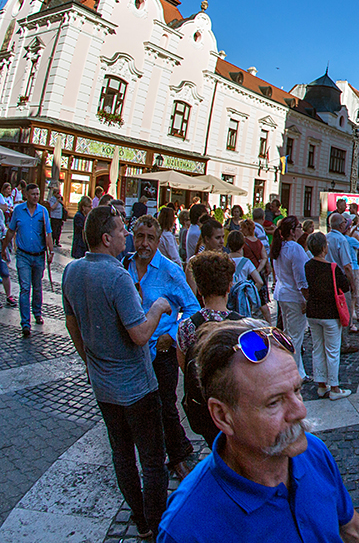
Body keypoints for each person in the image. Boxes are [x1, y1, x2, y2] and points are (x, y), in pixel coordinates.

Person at [158, 320, 359, 542]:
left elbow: (351, 527)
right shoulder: (186, 529)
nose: (300, 411)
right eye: (274, 402)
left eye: (297, 390)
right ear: (222, 416)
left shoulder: (313, 451)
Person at [63, 205, 175, 539]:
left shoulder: (73, 271)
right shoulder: (117, 276)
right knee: (153, 460)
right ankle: (154, 524)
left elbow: (72, 325)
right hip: (137, 387)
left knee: (122, 454)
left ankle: (140, 519)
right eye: (122, 230)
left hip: (104, 387)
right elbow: (140, 334)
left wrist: (90, 361)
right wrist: (157, 307)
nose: (127, 234)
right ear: (106, 238)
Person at [128, 214, 200, 478]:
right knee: (143, 406)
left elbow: (193, 308)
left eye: (150, 238)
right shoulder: (126, 267)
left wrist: (171, 333)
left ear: (159, 240)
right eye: (139, 236)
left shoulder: (170, 270)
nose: (144, 243)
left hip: (162, 351)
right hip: (135, 351)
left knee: (166, 405)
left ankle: (178, 456)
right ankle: (156, 454)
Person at [177, 251, 242, 447]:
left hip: (203, 407)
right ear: (229, 286)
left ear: (199, 289)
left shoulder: (187, 327)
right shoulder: (243, 326)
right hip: (234, 404)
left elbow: (184, 366)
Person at [303, 232, 352, 400]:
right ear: (324, 248)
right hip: (330, 312)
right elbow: (345, 287)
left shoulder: (307, 266)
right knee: (332, 350)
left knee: (317, 348)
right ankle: (335, 387)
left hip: (313, 312)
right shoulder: (332, 267)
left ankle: (321, 385)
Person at [6, 184, 51, 337]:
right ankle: (25, 323)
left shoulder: (43, 212)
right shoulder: (18, 210)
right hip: (23, 255)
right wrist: (4, 248)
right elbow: (11, 230)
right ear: (26, 195)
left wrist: (50, 252)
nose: (36, 197)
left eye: (38, 194)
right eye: (33, 194)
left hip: (39, 255)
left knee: (37, 287)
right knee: (25, 287)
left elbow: (48, 234)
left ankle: (37, 313)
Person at [270, 216, 309, 382]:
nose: (301, 229)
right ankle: (294, 374)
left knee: (288, 334)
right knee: (295, 338)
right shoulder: (294, 248)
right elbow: (301, 278)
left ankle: (299, 371)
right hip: (294, 296)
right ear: (292, 231)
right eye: (299, 227)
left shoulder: (279, 247)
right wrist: (306, 299)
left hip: (282, 294)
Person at [326, 213, 359, 350]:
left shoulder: (326, 237)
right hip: (340, 278)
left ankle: (332, 340)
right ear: (341, 225)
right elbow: (346, 266)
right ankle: (343, 343)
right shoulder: (342, 240)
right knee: (343, 310)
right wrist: (352, 284)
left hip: (327, 277)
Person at [71, 196, 90, 260]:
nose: (91, 208)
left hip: (83, 246)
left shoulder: (85, 215)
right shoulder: (79, 216)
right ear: (83, 207)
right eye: (89, 207)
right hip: (79, 246)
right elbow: (82, 229)